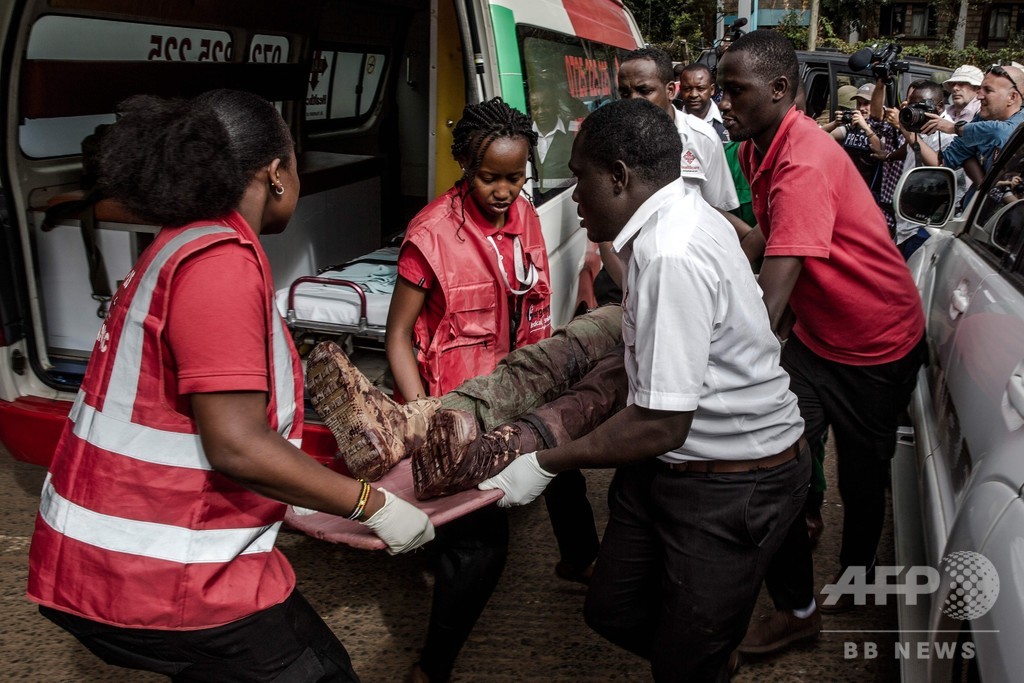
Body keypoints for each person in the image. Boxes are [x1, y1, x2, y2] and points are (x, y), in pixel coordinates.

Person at [26, 90, 434, 682]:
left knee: (317, 658)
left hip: (117, 554)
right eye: (294, 161)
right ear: (274, 173)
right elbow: (236, 444)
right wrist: (373, 507)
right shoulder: (219, 263)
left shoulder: (185, 239)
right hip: (159, 570)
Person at [469, 97, 808, 682]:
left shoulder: (669, 252)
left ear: (620, 177)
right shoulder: (676, 218)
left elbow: (660, 423)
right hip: (670, 466)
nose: (573, 198)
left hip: (734, 480)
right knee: (611, 608)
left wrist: (546, 463)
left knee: (685, 664)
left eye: (579, 179)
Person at [365, 96, 597, 683]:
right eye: (490, 177)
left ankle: (580, 560)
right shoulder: (432, 236)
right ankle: (431, 666)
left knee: (562, 466)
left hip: (523, 387)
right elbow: (397, 338)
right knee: (480, 548)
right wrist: (423, 414)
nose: (504, 190)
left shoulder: (525, 216)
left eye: (516, 177)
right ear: (465, 167)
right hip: (458, 408)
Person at [716, 30, 926, 653]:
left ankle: (856, 580)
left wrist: (710, 352)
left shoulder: (803, 160)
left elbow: (772, 297)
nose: (724, 104)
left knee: (863, 478)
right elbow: (760, 241)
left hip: (874, 344)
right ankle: (798, 592)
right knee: (779, 453)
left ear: (780, 90)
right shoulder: (760, 146)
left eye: (735, 92)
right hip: (818, 338)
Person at [878, 80, 959, 259]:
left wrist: (902, 127)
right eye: (912, 105)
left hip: (925, 225)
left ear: (938, 107)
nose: (914, 111)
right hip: (906, 220)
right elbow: (910, 149)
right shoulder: (920, 125)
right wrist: (889, 156)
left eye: (920, 106)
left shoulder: (948, 133)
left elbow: (938, 165)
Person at [917, 64, 1024, 191]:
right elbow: (945, 161)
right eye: (980, 89)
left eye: (988, 90)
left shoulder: (1020, 120)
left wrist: (954, 128)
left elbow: (1001, 133)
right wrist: (910, 134)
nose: (979, 96)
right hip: (976, 207)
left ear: (1012, 97)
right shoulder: (980, 119)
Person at [676, 62, 755, 226]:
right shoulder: (670, 125)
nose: (694, 94)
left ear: (711, 90)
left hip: (731, 210)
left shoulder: (731, 120)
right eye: (687, 89)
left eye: (700, 88)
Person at [529, 84, 575, 193]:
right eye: (535, 107)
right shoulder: (524, 135)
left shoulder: (572, 131)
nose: (540, 112)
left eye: (546, 106)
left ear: (556, 105)